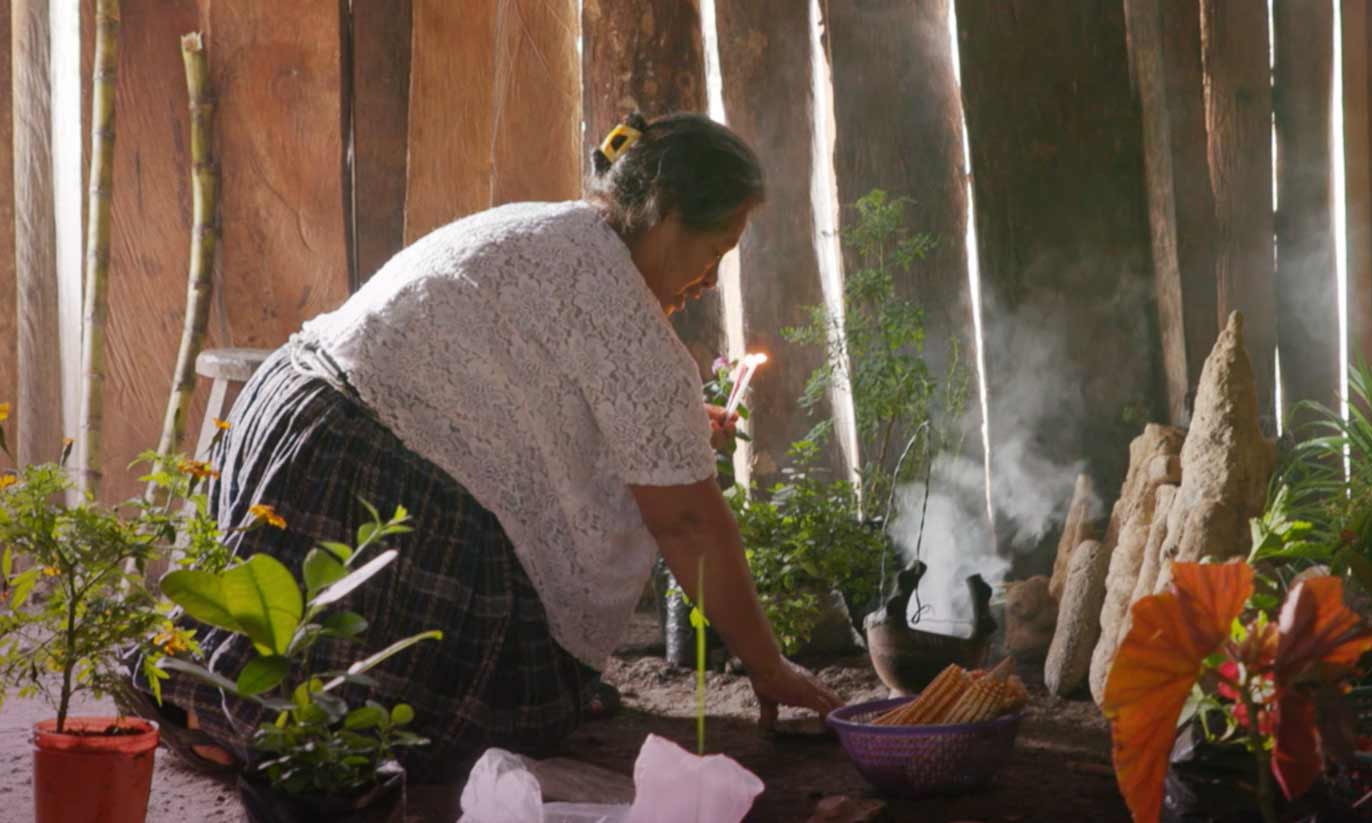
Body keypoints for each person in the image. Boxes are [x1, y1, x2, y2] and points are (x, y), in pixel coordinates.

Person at [126, 112, 845, 780]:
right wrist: (767, 663)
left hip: (285, 420)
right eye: (714, 249)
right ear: (664, 212)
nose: (712, 279)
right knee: (506, 714)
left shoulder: (553, 229)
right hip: (355, 474)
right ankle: (243, 719)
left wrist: (674, 432)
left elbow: (532, 410)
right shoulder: (627, 319)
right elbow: (688, 520)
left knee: (306, 656)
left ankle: (210, 689)